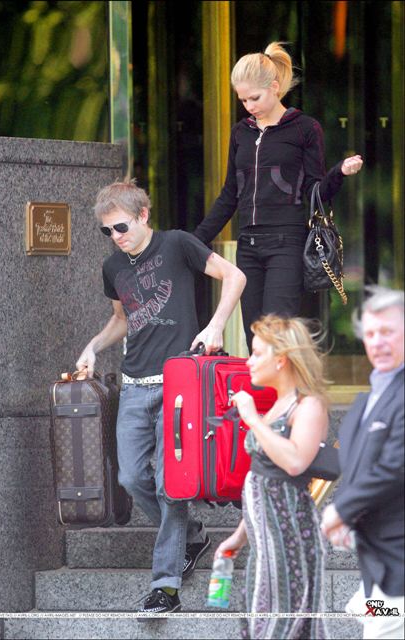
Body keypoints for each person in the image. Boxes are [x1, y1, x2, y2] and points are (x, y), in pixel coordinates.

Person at [75, 179, 246, 613]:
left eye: (121, 227)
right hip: (134, 385)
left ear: (143, 215)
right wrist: (93, 347)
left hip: (180, 384)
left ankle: (165, 587)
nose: (116, 237)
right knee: (131, 477)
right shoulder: (113, 267)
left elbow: (235, 276)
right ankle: (192, 535)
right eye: (107, 231)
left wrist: (215, 326)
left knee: (172, 485)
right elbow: (122, 319)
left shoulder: (177, 245)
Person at [193, 42, 363, 352]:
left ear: (274, 87)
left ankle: (287, 385)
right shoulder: (240, 133)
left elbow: (315, 191)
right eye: (243, 100)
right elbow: (230, 194)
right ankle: (263, 387)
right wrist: (194, 241)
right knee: (253, 339)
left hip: (287, 244)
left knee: (274, 338)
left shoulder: (305, 129)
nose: (249, 106)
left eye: (254, 98)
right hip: (248, 247)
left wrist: (338, 172)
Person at [214, 314, 330, 639]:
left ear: (281, 360)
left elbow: (294, 462)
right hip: (264, 540)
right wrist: (239, 536)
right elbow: (262, 479)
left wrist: (252, 419)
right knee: (261, 622)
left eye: (256, 353)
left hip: (288, 537)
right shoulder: (280, 404)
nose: (249, 362)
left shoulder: (308, 405)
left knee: (280, 625)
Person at [321, 286, 404, 640]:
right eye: (370, 334)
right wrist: (348, 517)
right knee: (369, 615)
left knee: (381, 626)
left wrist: (341, 510)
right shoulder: (363, 404)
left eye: (388, 332)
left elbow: (395, 466)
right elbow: (357, 469)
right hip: (377, 561)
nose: (378, 342)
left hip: (397, 564)